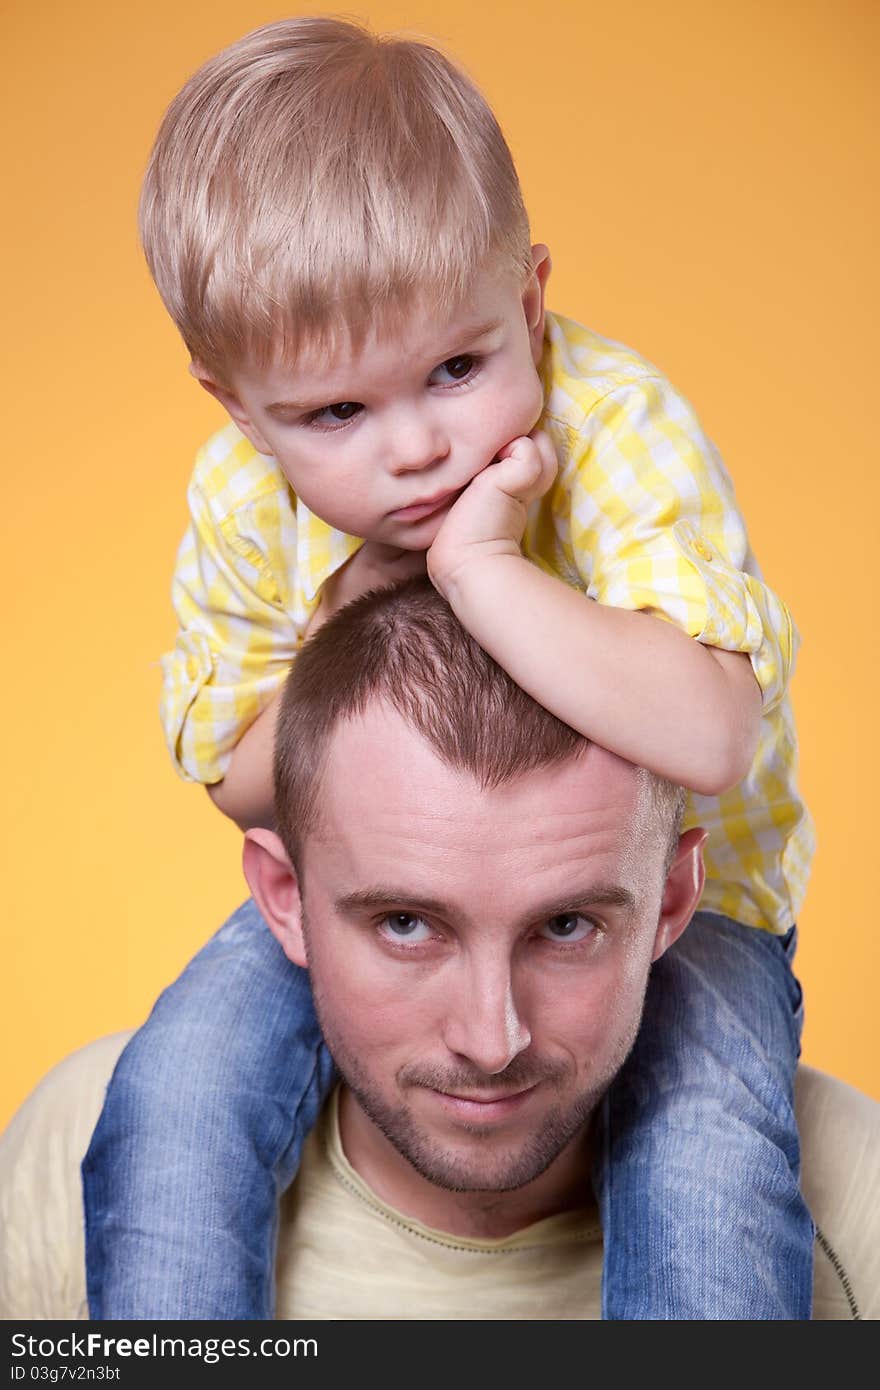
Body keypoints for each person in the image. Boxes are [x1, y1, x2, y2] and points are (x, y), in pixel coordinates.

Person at [83, 19, 815, 1320]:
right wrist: (359, 604)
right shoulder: (246, 498)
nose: (418, 451)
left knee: (707, 1161)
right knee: (175, 1094)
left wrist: (485, 574)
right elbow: (242, 773)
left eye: (458, 369)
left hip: (662, 915)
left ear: (530, 300)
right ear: (237, 407)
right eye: (336, 415)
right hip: (393, 914)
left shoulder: (617, 426)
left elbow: (708, 735)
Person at [9, 583, 859, 1321]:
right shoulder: (82, 1145)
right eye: (406, 925)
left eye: (566, 927)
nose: (492, 1042)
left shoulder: (856, 1198)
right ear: (284, 899)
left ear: (674, 901)